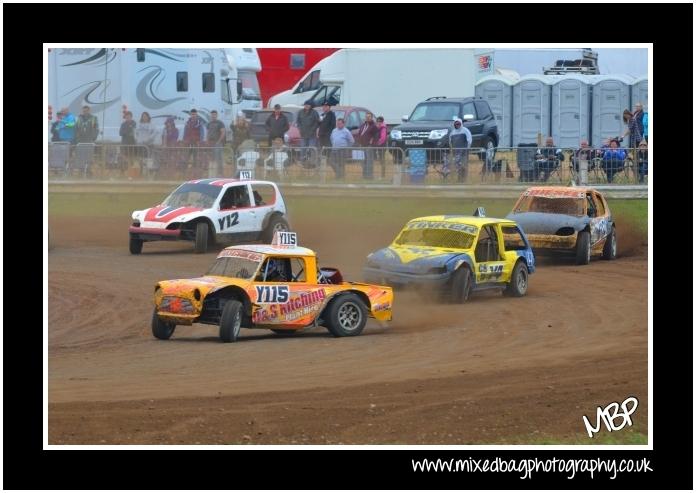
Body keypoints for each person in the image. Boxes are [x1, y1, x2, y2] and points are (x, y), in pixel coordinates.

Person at [440, 117, 471, 182]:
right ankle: (459, 179)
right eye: (456, 124)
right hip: (455, 153)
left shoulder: (465, 130)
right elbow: (450, 142)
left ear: (461, 124)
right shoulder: (452, 132)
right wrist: (452, 150)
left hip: (464, 153)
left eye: (459, 124)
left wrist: (467, 148)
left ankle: (464, 179)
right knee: (457, 167)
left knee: (463, 166)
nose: (457, 125)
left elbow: (469, 140)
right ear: (454, 124)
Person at [357, 112, 380, 179]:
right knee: (362, 161)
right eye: (366, 116)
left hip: (369, 146)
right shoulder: (363, 125)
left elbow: (376, 136)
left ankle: (369, 176)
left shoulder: (373, 126)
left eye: (369, 117)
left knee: (369, 161)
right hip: (362, 145)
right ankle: (364, 175)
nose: (367, 118)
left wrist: (371, 143)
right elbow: (360, 133)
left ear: (371, 118)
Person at [296, 100, 320, 164]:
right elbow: (298, 122)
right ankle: (302, 161)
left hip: (312, 135)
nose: (306, 106)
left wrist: (313, 130)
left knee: (312, 148)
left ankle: (313, 162)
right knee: (303, 148)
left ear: (311, 106)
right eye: (305, 104)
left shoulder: (314, 112)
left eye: (308, 104)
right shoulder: (300, 112)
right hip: (303, 134)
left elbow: (317, 122)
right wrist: (300, 128)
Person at [206, 110, 226, 174]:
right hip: (210, 143)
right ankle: (213, 172)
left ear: (217, 115)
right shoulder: (209, 123)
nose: (213, 116)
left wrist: (218, 141)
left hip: (217, 143)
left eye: (214, 115)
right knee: (212, 158)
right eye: (212, 115)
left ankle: (220, 172)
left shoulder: (220, 123)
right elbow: (208, 133)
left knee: (218, 158)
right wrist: (207, 141)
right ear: (211, 115)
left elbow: (223, 133)